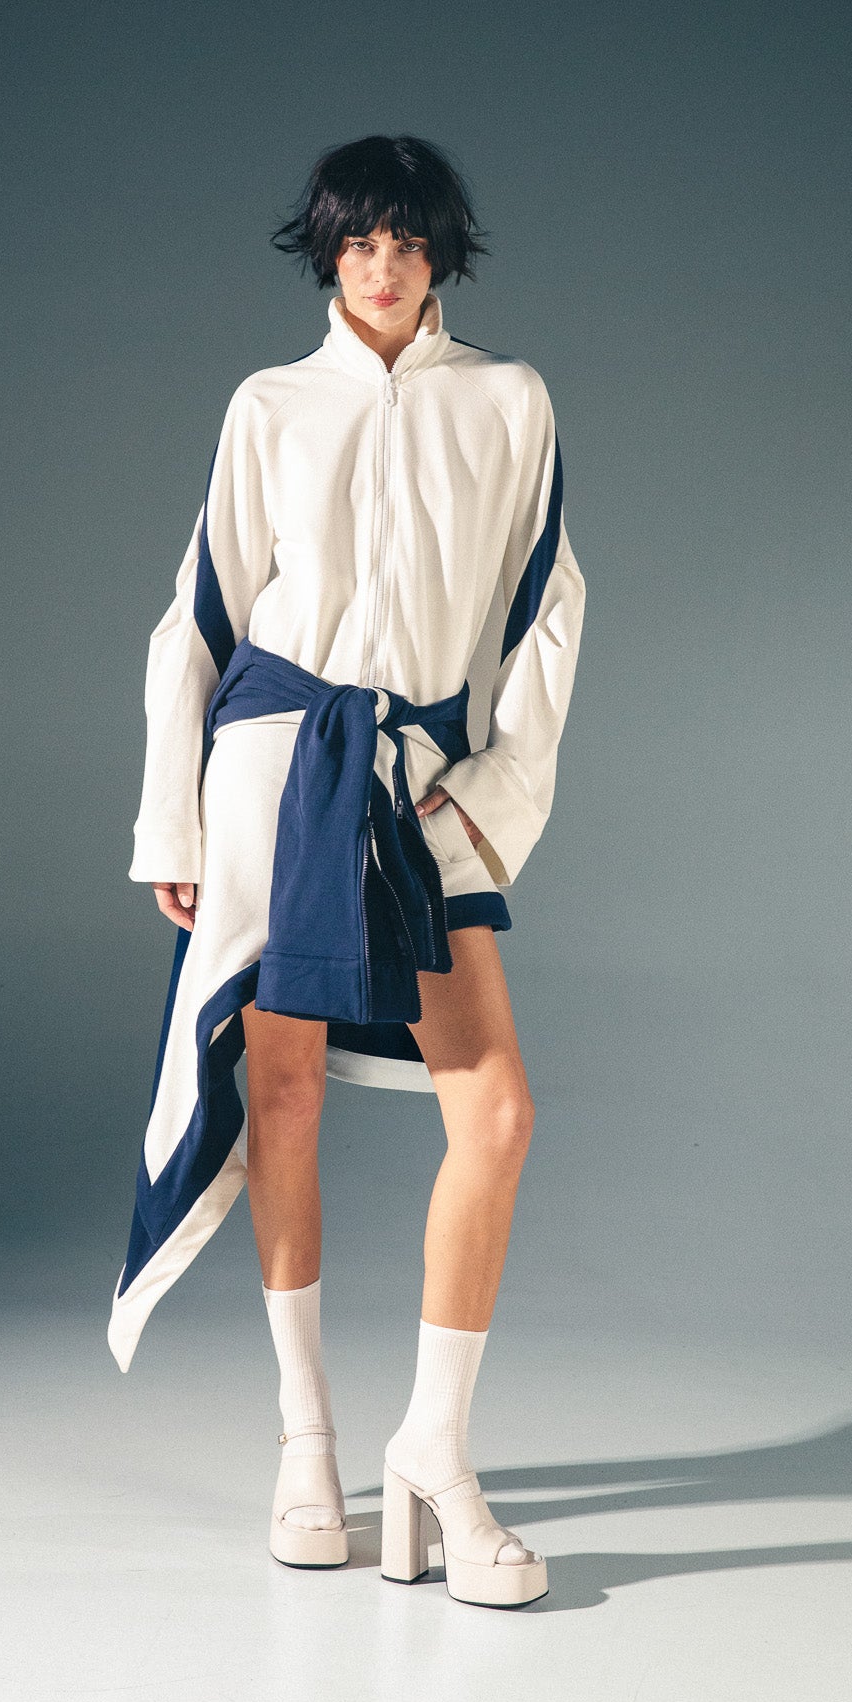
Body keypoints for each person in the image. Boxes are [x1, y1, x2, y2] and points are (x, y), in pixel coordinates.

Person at [108, 134, 586, 1608]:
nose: (380, 266)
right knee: (285, 1091)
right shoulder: (269, 404)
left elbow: (545, 612)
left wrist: (488, 801)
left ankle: (433, 1447)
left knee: (493, 1109)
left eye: (405, 240)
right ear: (328, 253)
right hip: (270, 765)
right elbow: (201, 613)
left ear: (442, 253)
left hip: (419, 779)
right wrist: (173, 823)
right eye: (357, 241)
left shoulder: (509, 402)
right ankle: (304, 1437)